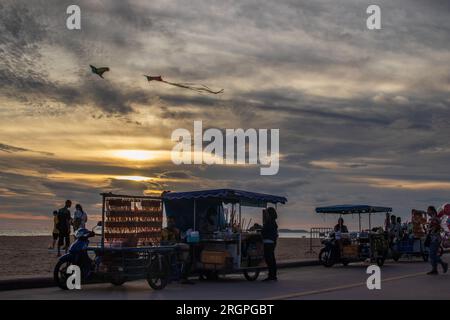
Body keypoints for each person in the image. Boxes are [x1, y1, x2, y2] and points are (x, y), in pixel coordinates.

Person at [161, 216, 194, 284]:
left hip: (176, 249)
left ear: (174, 223)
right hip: (167, 250)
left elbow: (180, 240)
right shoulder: (164, 231)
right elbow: (164, 242)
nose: (170, 223)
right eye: (169, 222)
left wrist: (185, 237)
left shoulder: (177, 230)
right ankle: (173, 276)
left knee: (188, 257)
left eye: (172, 222)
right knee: (173, 259)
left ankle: (183, 276)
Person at [426, 206, 448, 275]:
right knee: (433, 254)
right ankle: (434, 269)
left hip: (435, 239)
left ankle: (443, 264)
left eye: (428, 210)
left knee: (432, 254)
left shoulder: (435, 218)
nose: (427, 212)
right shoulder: (433, 218)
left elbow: (436, 227)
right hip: (433, 238)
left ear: (432, 211)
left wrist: (431, 230)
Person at [261, 207, 278, 281]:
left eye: (267, 213)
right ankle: (273, 275)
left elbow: (264, 231)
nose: (266, 214)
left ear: (269, 214)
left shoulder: (269, 222)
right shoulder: (273, 222)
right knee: (272, 259)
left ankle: (271, 275)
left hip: (268, 241)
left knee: (269, 259)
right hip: (272, 242)